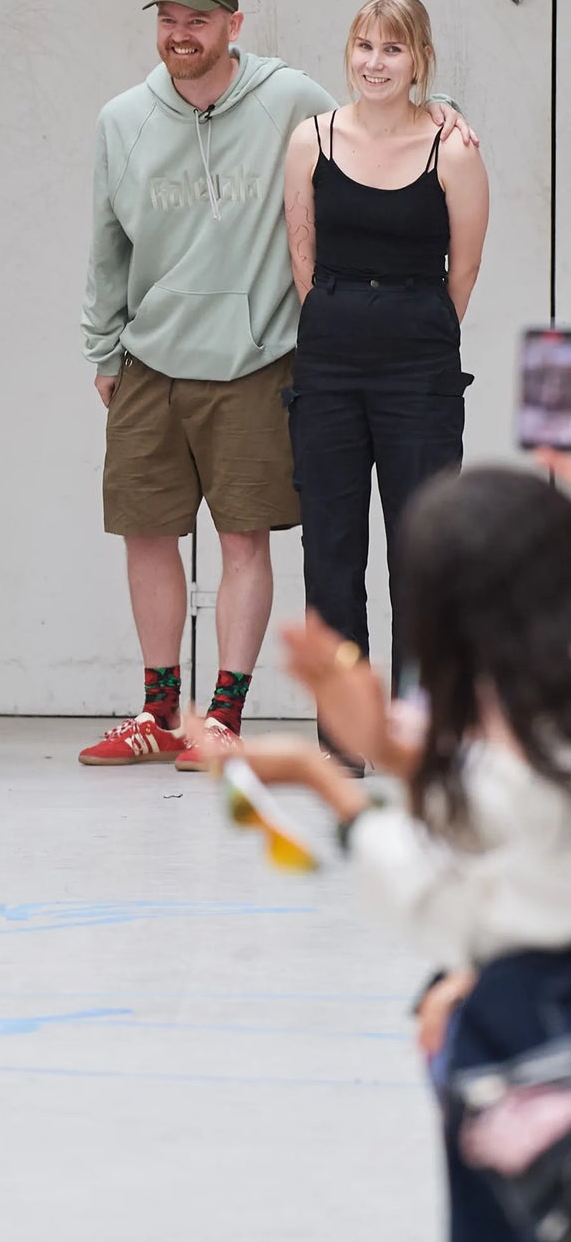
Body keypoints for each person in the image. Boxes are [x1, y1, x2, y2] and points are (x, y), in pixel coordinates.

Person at [80, 0, 474, 770]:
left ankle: (246, 718)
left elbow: (395, 141)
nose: (180, 34)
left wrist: (447, 109)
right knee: (198, 540)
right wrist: (103, 344)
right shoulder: (128, 119)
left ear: (232, 24)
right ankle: (177, 714)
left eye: (197, 20)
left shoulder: (291, 99)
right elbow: (110, 244)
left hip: (286, 361)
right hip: (192, 359)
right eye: (169, 20)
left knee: (310, 543)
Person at [197, 467, 571, 1242]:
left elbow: (447, 900)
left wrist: (322, 785)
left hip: (536, 1034)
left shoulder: (530, 757)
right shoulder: (537, 722)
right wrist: (386, 747)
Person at [284, 0, 490, 722]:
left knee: (422, 550)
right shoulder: (311, 139)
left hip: (419, 367)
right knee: (330, 552)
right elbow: (302, 252)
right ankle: (345, 727)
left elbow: (464, 268)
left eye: (393, 49)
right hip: (328, 362)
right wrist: (342, 318)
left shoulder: (453, 148)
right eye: (365, 46)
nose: (376, 63)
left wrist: (411, 327)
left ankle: (417, 726)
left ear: (420, 59)